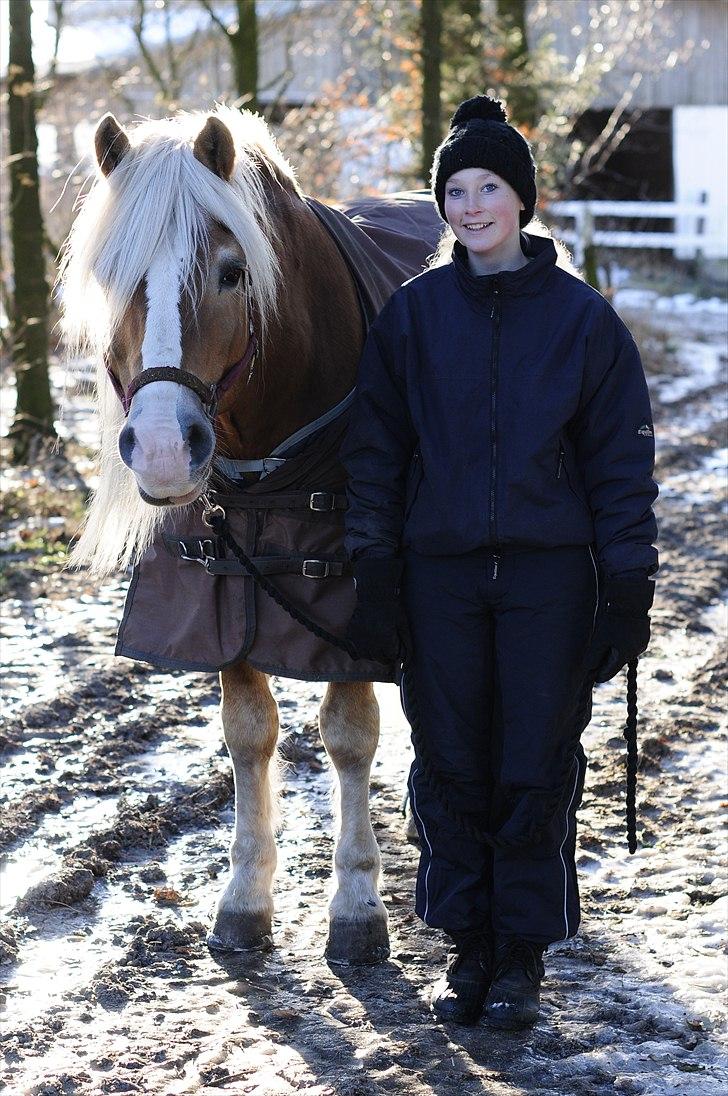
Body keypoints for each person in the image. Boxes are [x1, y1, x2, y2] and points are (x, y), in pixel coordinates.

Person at [339, 95, 658, 1029]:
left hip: (548, 579)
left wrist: (629, 579)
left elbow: (620, 462)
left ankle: (519, 954)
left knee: (535, 760)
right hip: (438, 579)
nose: (471, 206)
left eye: (489, 187)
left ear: (520, 198)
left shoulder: (582, 323)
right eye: (455, 191)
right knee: (450, 762)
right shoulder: (411, 319)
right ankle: (465, 945)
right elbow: (376, 453)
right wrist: (376, 569)